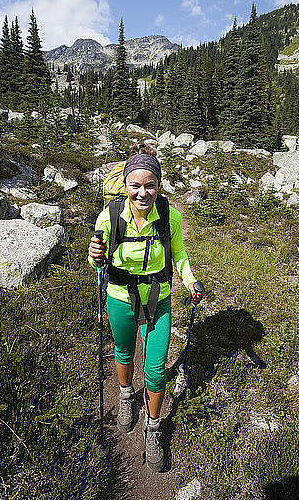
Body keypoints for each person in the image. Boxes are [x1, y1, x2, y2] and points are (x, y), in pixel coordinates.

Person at [88, 147, 204, 472]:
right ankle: (126, 397)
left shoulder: (171, 216)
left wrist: (191, 281)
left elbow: (178, 254)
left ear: (159, 185)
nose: (143, 193)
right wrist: (96, 256)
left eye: (150, 185)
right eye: (135, 185)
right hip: (120, 296)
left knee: (155, 368)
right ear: (125, 185)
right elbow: (96, 258)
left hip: (158, 298)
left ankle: (153, 428)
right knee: (124, 353)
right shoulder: (109, 216)